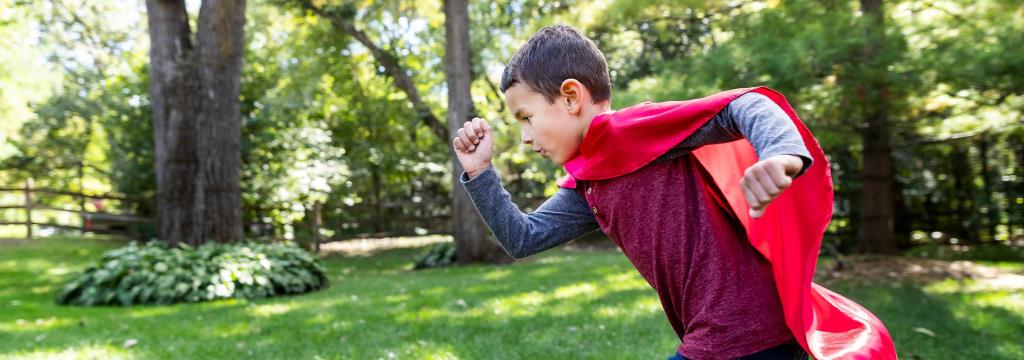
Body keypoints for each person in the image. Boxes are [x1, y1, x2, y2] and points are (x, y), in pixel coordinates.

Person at [451, 25, 896, 360]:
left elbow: (747, 104)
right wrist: (480, 173)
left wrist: (780, 156)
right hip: (728, 335)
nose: (526, 137)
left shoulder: (639, 129)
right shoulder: (586, 182)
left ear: (571, 97)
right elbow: (522, 238)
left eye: (526, 117)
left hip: (741, 330)